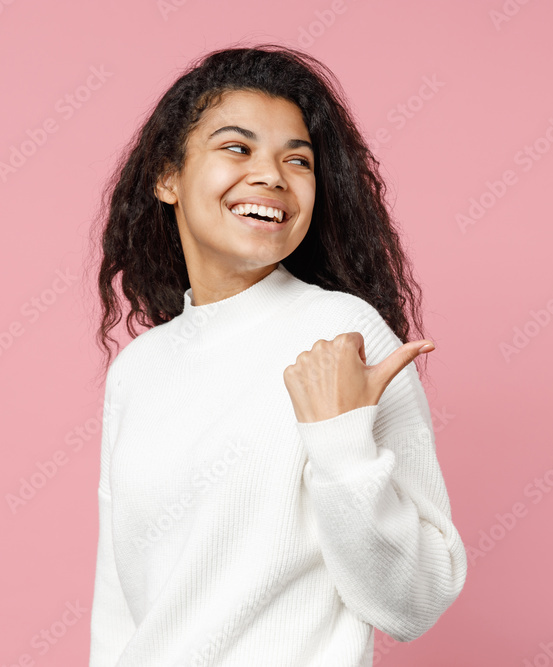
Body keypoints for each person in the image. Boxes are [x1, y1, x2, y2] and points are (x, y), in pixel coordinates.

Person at [86, 43, 467, 666]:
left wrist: (341, 443)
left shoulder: (344, 333)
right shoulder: (139, 369)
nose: (272, 175)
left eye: (298, 160)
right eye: (237, 148)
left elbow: (414, 601)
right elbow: (119, 601)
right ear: (167, 177)